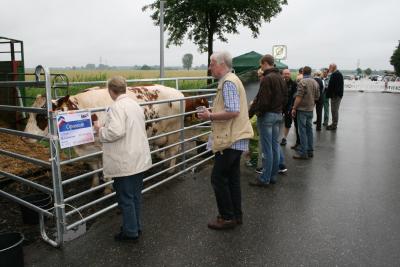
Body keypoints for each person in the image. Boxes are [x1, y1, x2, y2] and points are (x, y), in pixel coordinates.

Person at [197, 51, 253, 230]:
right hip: (237, 138)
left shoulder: (228, 82)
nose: (209, 67)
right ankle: (236, 215)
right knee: (232, 178)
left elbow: (233, 111)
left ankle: (227, 217)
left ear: (221, 64)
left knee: (218, 178)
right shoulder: (233, 79)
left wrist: (210, 115)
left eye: (211, 63)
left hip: (230, 139)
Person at [93, 76, 152, 242]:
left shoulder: (117, 107)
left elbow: (115, 131)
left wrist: (100, 130)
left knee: (125, 198)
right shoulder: (134, 104)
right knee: (134, 196)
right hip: (138, 158)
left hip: (125, 161)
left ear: (111, 91)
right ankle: (135, 226)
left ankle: (130, 232)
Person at [248, 55, 288, 186]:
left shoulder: (267, 78)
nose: (261, 68)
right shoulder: (281, 78)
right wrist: (280, 110)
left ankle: (265, 178)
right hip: (277, 115)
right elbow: (285, 97)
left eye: (261, 65)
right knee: (274, 147)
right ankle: (273, 177)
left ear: (265, 63)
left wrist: (254, 113)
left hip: (267, 116)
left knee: (267, 149)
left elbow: (262, 100)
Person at [291, 66, 320, 159]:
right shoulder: (315, 82)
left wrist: (294, 108)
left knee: (302, 131)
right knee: (309, 130)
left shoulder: (302, 82)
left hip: (302, 110)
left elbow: (299, 97)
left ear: (303, 72)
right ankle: (310, 150)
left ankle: (303, 152)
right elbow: (317, 96)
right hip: (310, 109)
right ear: (310, 72)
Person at [280, 68, 298, 146]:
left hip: (289, 107)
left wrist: (292, 107)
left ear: (290, 74)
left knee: (287, 123)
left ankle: (284, 138)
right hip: (279, 107)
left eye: (288, 74)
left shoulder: (294, 84)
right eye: (285, 74)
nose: (286, 75)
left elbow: (295, 97)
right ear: (282, 74)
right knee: (277, 122)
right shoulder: (280, 83)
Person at [325, 63, 344, 130]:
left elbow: (332, 86)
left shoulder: (336, 74)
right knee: (334, 110)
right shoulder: (337, 73)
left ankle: (334, 125)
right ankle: (333, 123)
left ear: (333, 68)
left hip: (336, 96)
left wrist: (329, 94)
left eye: (330, 67)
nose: (329, 69)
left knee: (334, 110)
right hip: (336, 95)